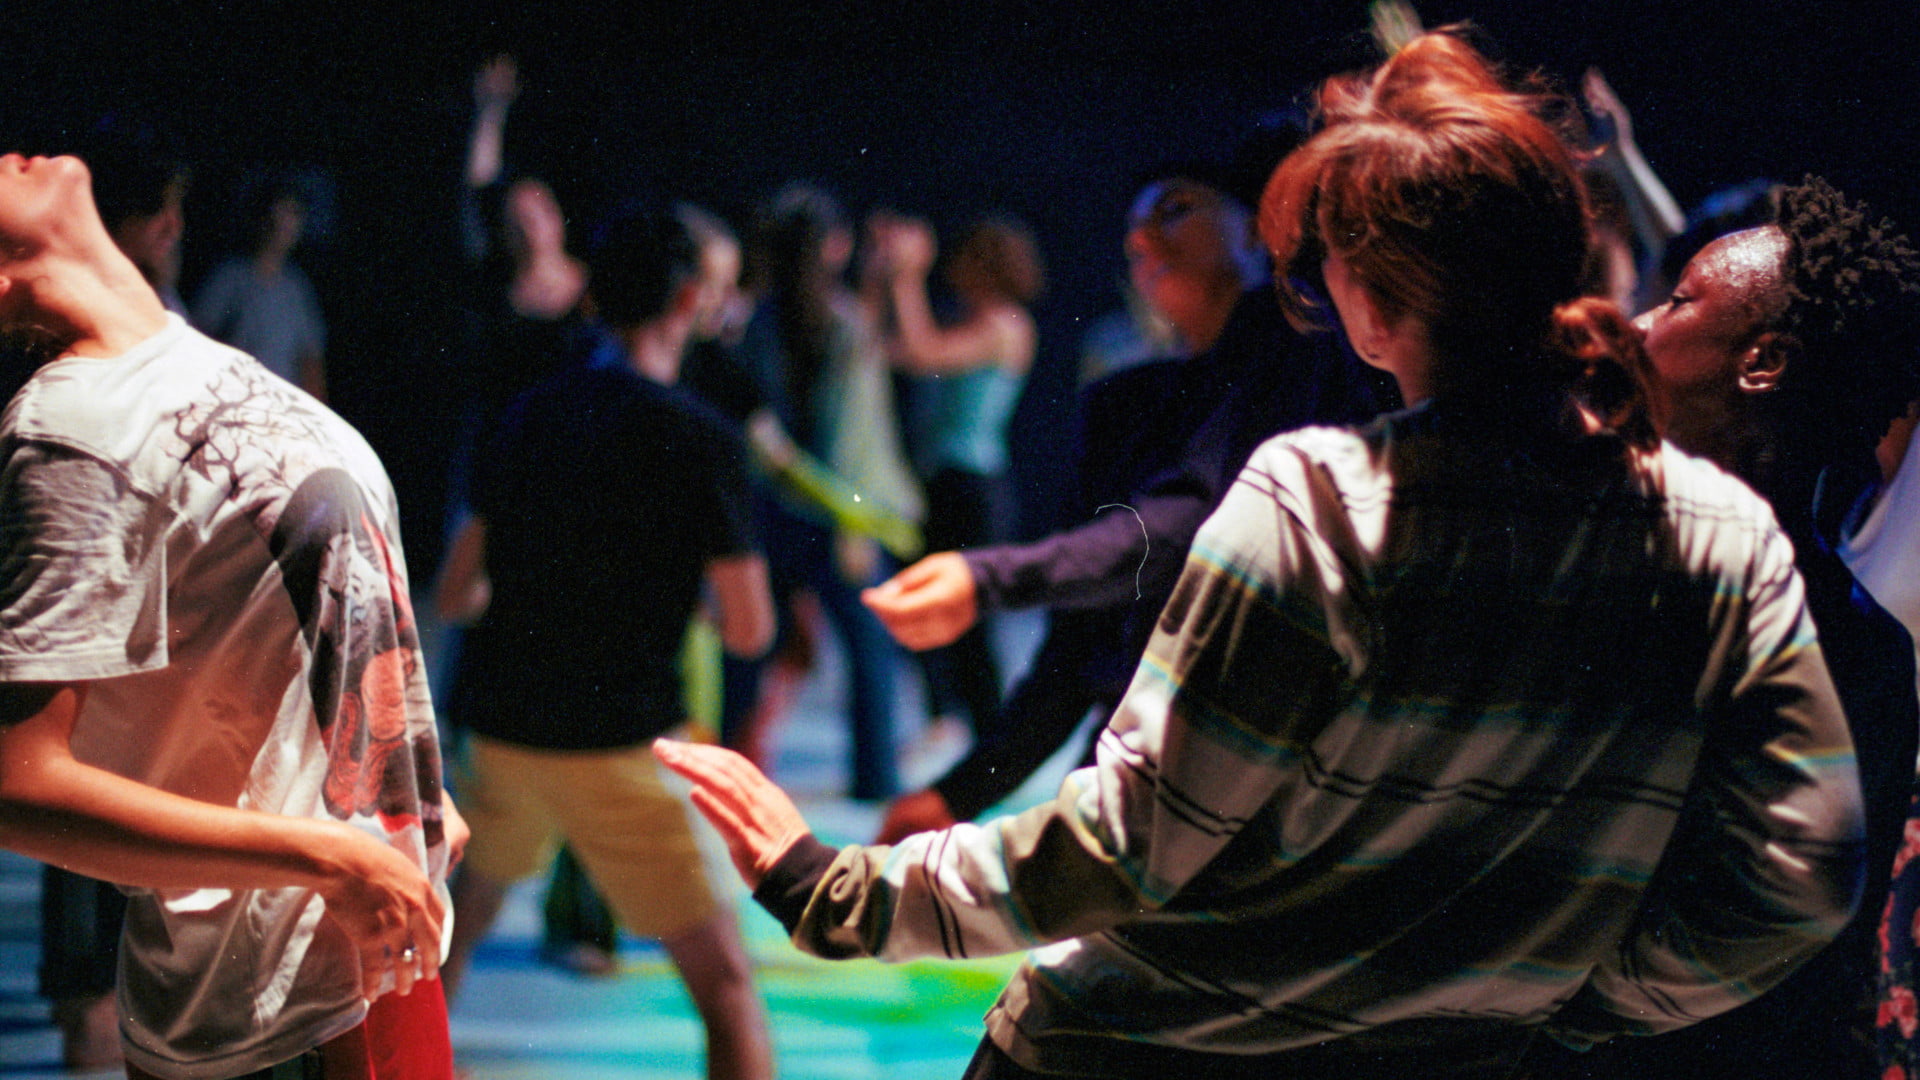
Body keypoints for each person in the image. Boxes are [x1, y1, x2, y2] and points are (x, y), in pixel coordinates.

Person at [654, 30, 1865, 1080]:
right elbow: (1809, 871)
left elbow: (1122, 849)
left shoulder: (1316, 503)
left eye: (1325, 257)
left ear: (1374, 303)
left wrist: (834, 889)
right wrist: (1566, 997)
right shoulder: (1721, 534)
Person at [0, 152, 461, 1079]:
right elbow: (17, 783)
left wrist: (408, 795)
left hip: (363, 957)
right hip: (275, 1015)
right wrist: (330, 856)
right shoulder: (69, 433)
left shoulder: (186, 357)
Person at [869, 142, 1388, 842]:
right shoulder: (1125, 404)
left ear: (1262, 226)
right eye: (1135, 227)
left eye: (1176, 210)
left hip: (1257, 773)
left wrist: (989, 577)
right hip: (1138, 780)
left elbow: (1182, 526)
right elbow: (1077, 649)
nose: (1143, 237)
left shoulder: (1311, 366)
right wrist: (959, 792)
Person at [1535, 177, 1920, 1080]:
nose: (1635, 325)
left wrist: (1538, 1011)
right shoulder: (1620, 556)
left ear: (1762, 362)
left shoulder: (1836, 644)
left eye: (1678, 301)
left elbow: (1782, 926)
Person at [433, 205, 776, 1080]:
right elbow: (750, 629)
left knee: (444, 955)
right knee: (727, 988)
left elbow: (456, 591)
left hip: (504, 730)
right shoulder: (700, 437)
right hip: (621, 740)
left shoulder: (526, 415)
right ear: (693, 298)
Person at [28, 131, 197, 1075]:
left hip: (143, 615)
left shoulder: (155, 319)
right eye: (159, 208)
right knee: (82, 816)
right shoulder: (73, 324)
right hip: (89, 612)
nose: (172, 226)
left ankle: (103, 1010)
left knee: (122, 822)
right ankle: (88, 1008)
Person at [731, 182, 923, 800]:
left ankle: (728, 777)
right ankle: (875, 782)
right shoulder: (845, 325)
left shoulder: (756, 323)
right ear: (835, 248)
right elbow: (853, 442)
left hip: (772, 512)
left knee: (752, 648)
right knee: (870, 654)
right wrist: (853, 524)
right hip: (841, 513)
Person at [874, 212, 1043, 754]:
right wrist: (886, 281)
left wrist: (906, 277)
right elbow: (897, 349)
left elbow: (921, 355)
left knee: (970, 622)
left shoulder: (1005, 325)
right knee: (928, 609)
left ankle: (995, 742)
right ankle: (951, 721)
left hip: (973, 487)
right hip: (946, 484)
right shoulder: (973, 321)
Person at [192, 170, 330, 401]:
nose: (283, 223)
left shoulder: (296, 288)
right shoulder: (230, 278)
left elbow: (310, 360)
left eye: (293, 214)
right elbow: (198, 338)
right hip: (235, 405)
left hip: (283, 409)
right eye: (279, 211)